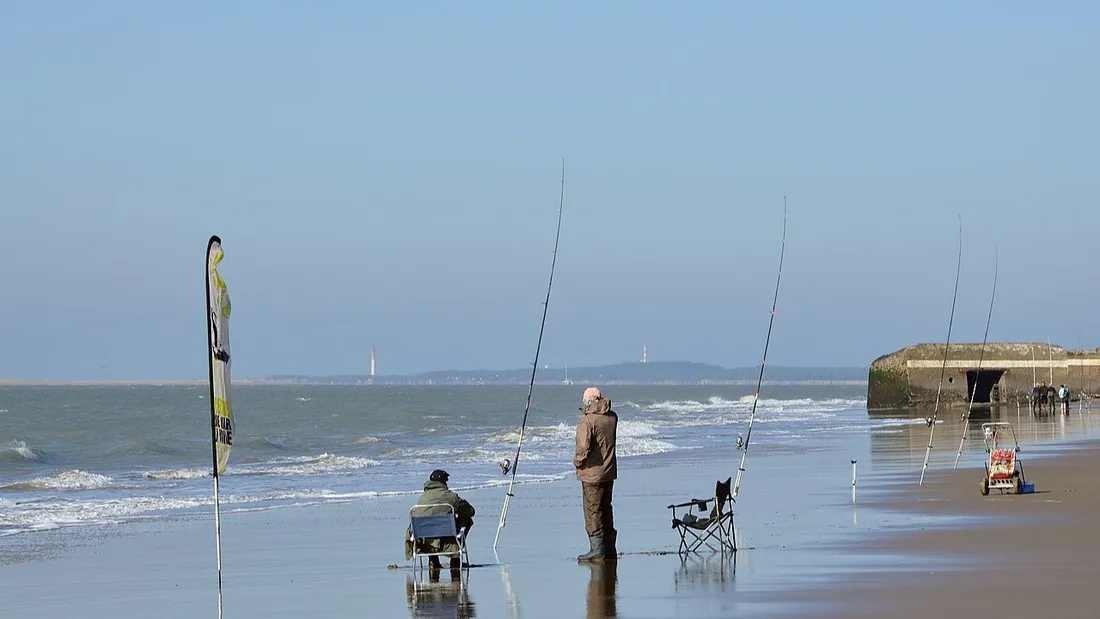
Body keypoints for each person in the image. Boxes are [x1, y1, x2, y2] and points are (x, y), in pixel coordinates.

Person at [574, 386, 618, 562]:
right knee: (606, 508)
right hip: (608, 470)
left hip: (592, 474)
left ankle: (597, 550)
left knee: (593, 510)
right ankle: (609, 548)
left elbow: (583, 448)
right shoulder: (612, 417)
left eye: (585, 401)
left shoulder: (588, 421)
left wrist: (577, 462)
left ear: (589, 401)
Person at [404, 469, 475, 570]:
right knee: (466, 519)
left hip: (424, 545)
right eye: (446, 481)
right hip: (447, 544)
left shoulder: (422, 498)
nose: (447, 483)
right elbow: (471, 511)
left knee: (426, 523)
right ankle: (455, 558)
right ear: (443, 482)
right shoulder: (451, 496)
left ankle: (433, 559)